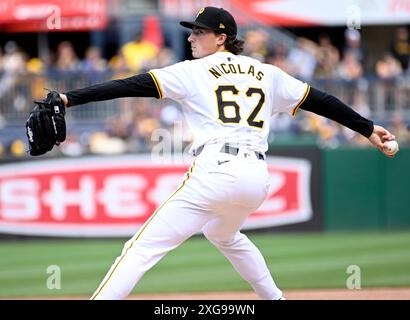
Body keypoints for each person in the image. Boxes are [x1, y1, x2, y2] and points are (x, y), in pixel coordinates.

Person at [54, 7, 396, 300]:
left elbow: (128, 85)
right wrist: (367, 128)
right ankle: (274, 297)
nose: (190, 38)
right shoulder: (267, 73)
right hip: (257, 179)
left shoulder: (192, 72)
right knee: (222, 233)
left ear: (221, 37)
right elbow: (322, 101)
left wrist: (70, 98)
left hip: (215, 170)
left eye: (198, 32)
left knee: (140, 249)